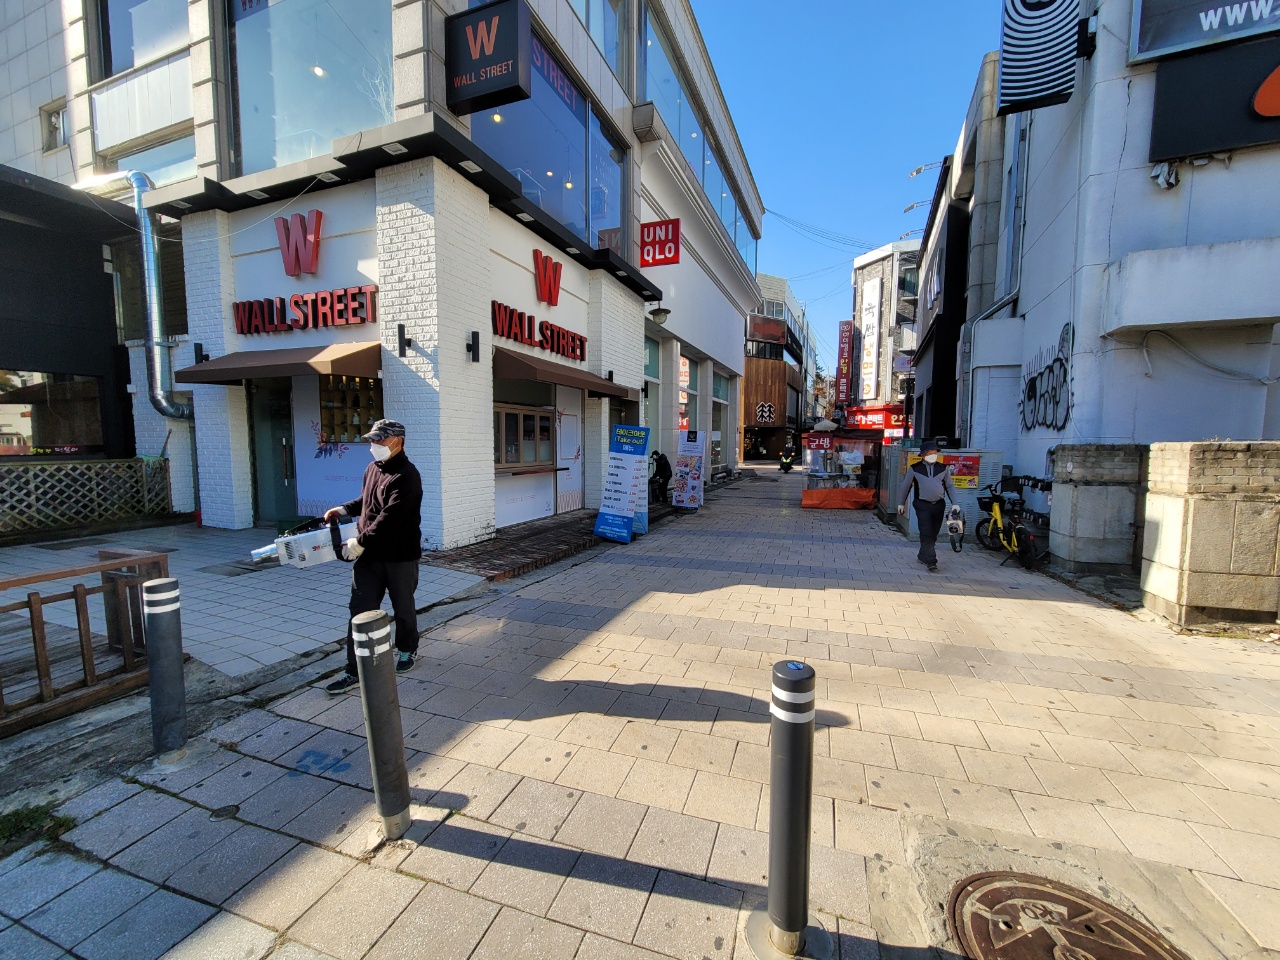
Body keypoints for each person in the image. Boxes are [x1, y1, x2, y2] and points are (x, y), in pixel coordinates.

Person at [322, 419, 423, 694]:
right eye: (372, 440)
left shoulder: (407, 475)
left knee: (403, 607)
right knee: (360, 611)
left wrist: (359, 542)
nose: (374, 445)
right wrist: (344, 509)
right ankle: (354, 670)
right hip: (369, 557)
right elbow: (367, 501)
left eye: (380, 440)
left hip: (400, 556)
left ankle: (407, 648)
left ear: (398, 441)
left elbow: (390, 517)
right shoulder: (372, 468)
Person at [897, 440, 957, 573]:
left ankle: (922, 554)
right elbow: (905, 486)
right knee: (926, 531)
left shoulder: (943, 468)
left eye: (935, 453)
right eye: (930, 453)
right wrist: (901, 503)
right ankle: (931, 560)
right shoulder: (915, 468)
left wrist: (955, 503)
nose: (933, 455)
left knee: (933, 533)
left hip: (939, 505)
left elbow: (950, 486)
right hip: (922, 504)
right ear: (923, 454)